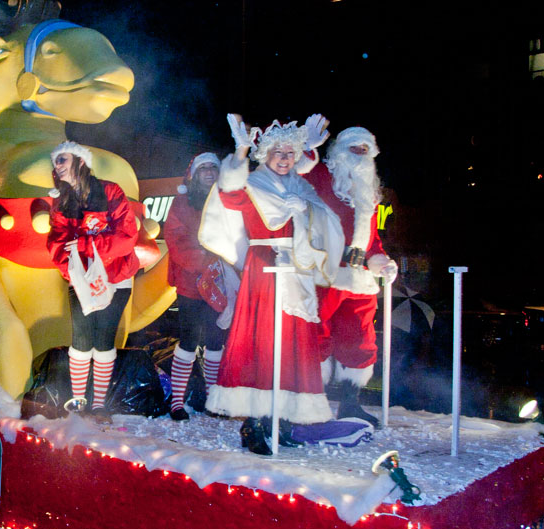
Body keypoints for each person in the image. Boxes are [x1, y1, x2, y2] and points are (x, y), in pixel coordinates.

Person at [199, 115, 345, 454]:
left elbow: (326, 223)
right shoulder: (252, 184)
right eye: (277, 152)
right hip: (263, 272)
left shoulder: (302, 188)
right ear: (265, 155)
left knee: (292, 345)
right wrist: (240, 150)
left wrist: (305, 210)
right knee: (262, 344)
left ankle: (282, 420)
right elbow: (229, 192)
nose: (284, 158)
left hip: (296, 271)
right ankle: (255, 425)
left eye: (290, 153)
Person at [303, 127, 398, 427]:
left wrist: (380, 261)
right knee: (313, 338)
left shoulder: (367, 189)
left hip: (358, 277)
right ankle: (310, 406)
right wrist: (307, 147)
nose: (359, 154)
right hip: (323, 273)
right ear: (338, 150)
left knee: (359, 339)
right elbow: (295, 176)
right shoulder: (319, 175)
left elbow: (371, 237)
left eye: (364, 150)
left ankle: (349, 404)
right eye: (353, 148)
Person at [46, 141, 139, 423]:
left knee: (103, 340)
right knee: (82, 339)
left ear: (80, 161)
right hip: (81, 280)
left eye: (62, 159)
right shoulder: (60, 200)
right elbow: (57, 244)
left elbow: (127, 236)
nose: (57, 166)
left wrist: (85, 245)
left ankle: (98, 406)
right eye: (56, 162)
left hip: (117, 277)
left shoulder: (110, 191)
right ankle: (78, 402)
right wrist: (73, 270)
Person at [163, 152, 233, 421]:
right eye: (203, 168)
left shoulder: (228, 201)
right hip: (191, 283)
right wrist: (205, 260)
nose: (209, 172)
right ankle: (177, 402)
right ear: (194, 174)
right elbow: (176, 240)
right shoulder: (182, 203)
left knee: (216, 341)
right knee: (189, 340)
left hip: (220, 284)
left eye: (213, 168)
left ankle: (213, 401)